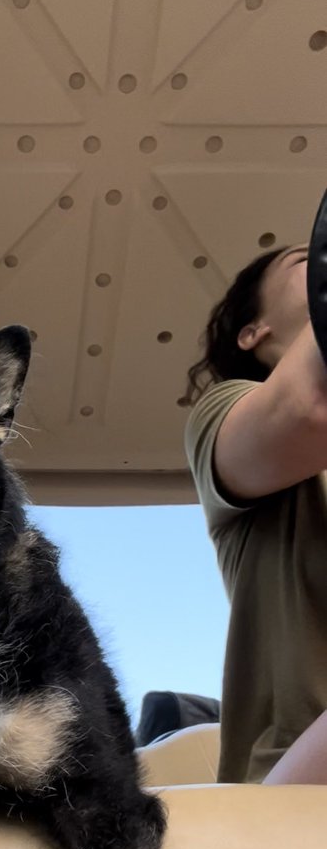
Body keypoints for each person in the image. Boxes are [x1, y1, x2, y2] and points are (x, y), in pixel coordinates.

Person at [184, 243, 327, 784]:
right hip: (296, 788)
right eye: (306, 262)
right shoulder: (222, 411)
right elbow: (306, 409)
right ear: (254, 332)